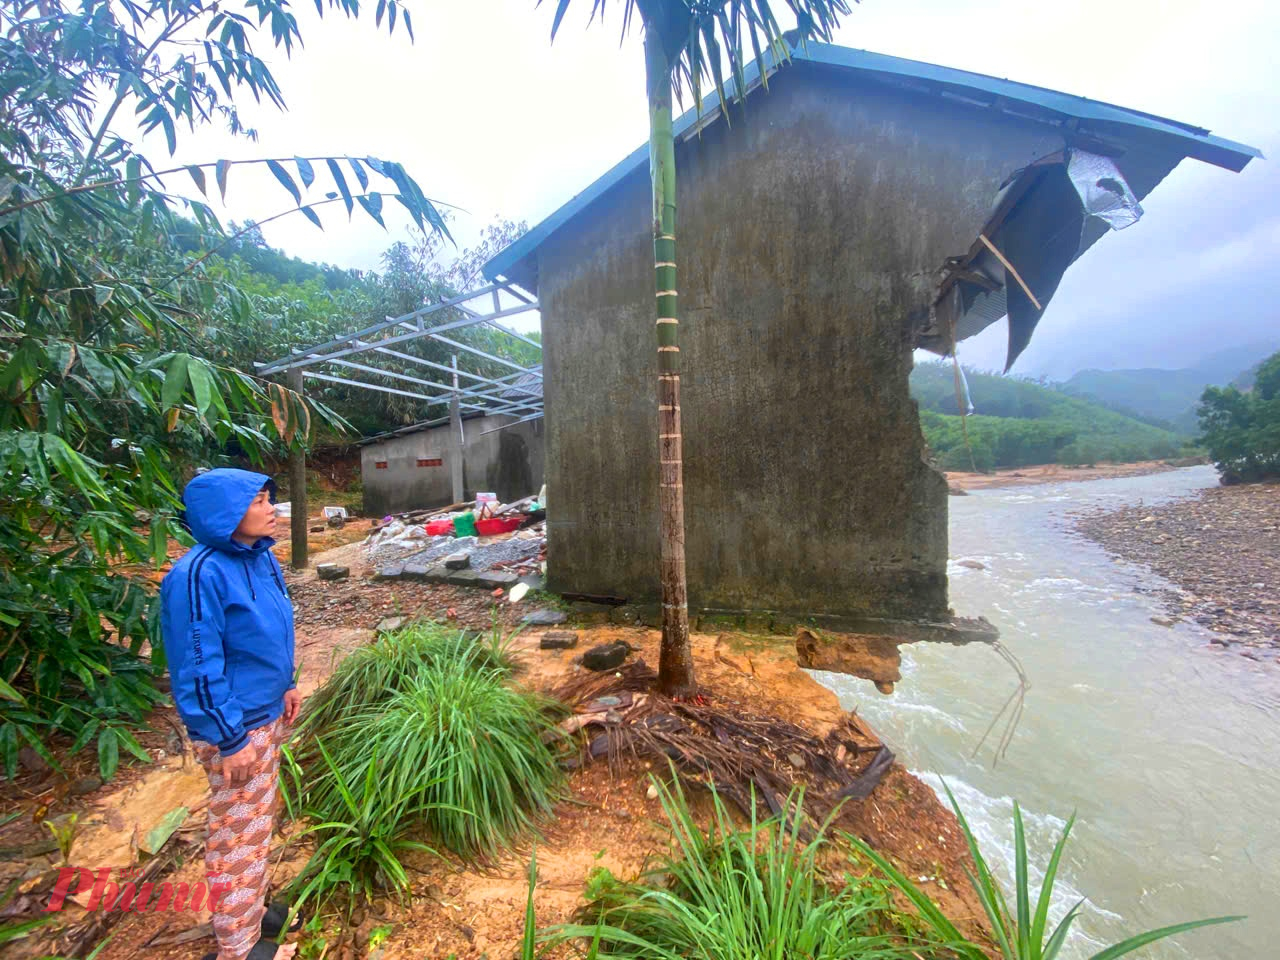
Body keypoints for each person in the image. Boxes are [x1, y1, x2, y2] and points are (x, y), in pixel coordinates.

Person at [160, 469, 302, 960]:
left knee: (256, 824)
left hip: (263, 714)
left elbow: (272, 630)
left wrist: (287, 683)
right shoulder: (199, 575)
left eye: (269, 499)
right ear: (225, 514)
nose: (271, 509)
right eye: (259, 501)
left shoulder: (260, 560)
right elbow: (198, 666)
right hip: (235, 727)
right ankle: (238, 947)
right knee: (234, 836)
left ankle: (252, 910)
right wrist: (229, 738)